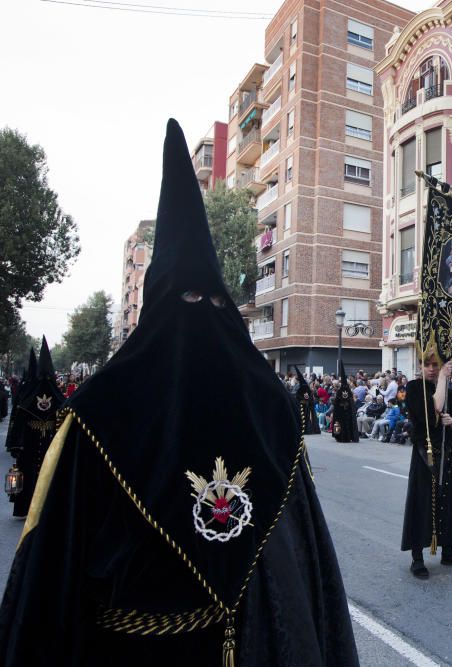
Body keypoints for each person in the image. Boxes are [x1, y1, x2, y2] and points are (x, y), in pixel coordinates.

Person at [0, 121, 358, 664]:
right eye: (189, 298)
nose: (205, 318)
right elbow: (54, 580)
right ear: (161, 309)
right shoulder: (100, 414)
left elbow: (301, 572)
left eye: (215, 302)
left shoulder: (270, 412)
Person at [401, 355, 452, 579]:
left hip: (448, 458)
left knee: (449, 504)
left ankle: (448, 551)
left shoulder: (450, 391)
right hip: (425, 458)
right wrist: (442, 377)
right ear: (419, 366)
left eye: (436, 365)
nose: (431, 369)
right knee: (422, 504)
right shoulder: (414, 388)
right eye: (427, 365)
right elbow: (434, 408)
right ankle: (417, 557)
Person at [5, 338, 65, 519]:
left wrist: (16, 445)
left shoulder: (34, 397)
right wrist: (17, 445)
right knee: (31, 475)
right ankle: (29, 507)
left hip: (48, 442)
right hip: (32, 443)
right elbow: (19, 421)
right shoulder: (31, 398)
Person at [332, 361, 359, 442]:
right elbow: (337, 402)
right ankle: (341, 436)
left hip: (344, 412)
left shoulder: (342, 392)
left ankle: (342, 436)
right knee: (340, 424)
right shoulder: (343, 392)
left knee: (344, 423)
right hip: (342, 412)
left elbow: (350, 402)